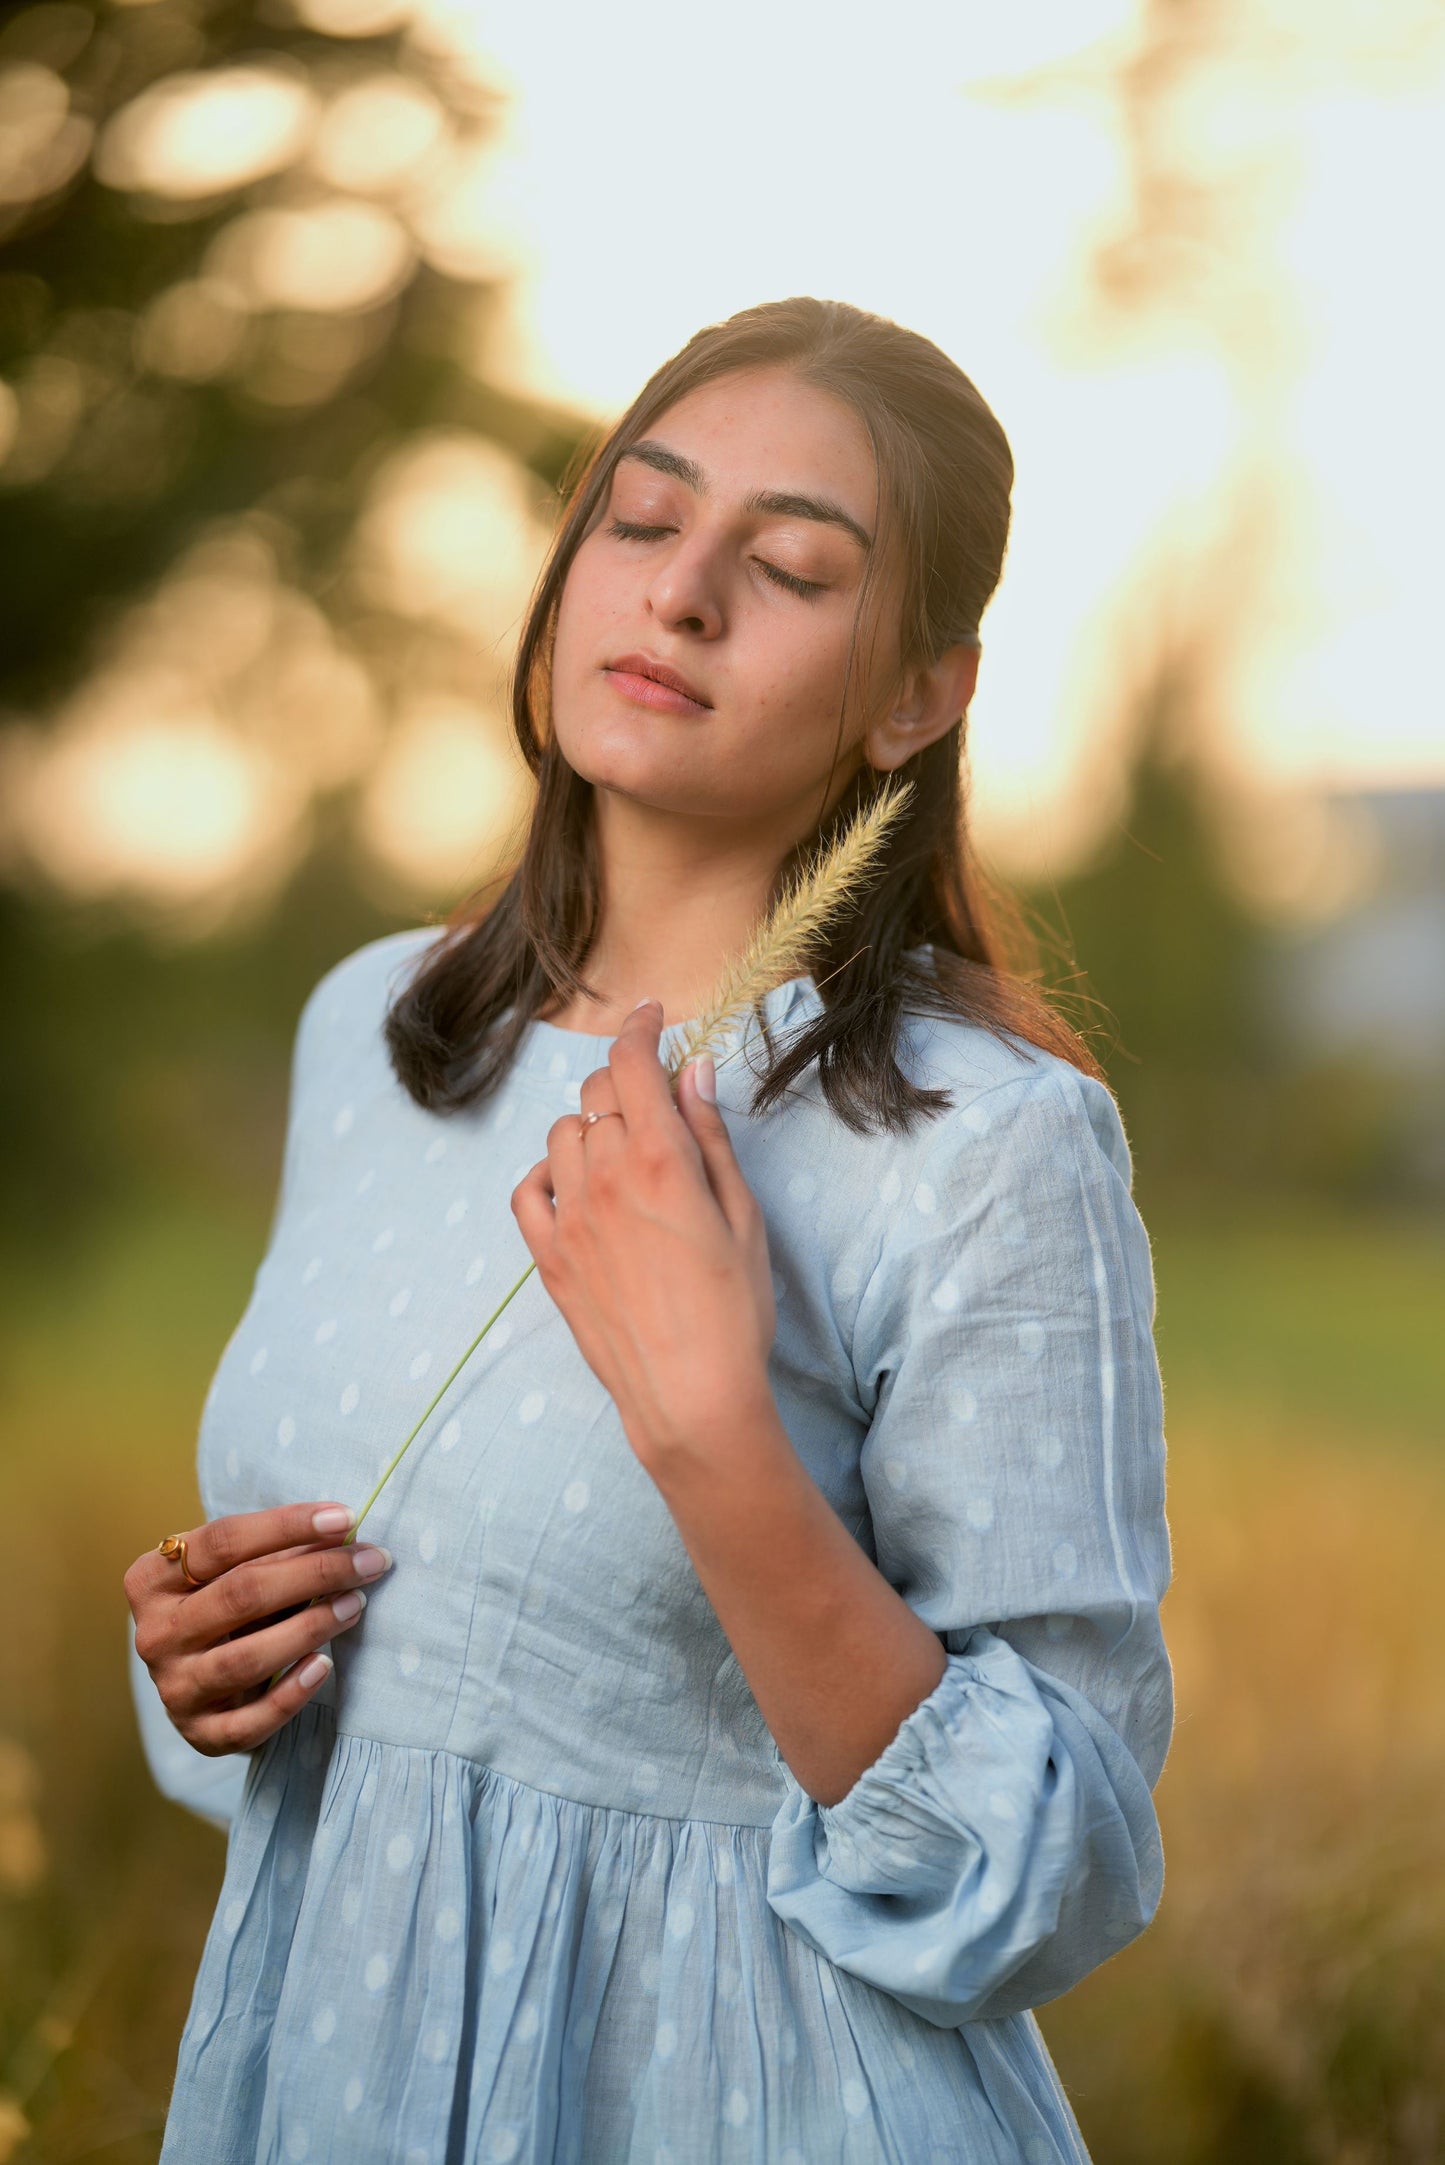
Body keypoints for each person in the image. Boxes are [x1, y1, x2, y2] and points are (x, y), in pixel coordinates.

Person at [125, 295, 1173, 2165]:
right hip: (336, 2071)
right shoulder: (376, 1028)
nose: (679, 593)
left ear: (917, 694)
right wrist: (206, 1673)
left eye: (784, 566)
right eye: (637, 518)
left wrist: (713, 1438)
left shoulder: (990, 1144)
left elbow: (1052, 1869)